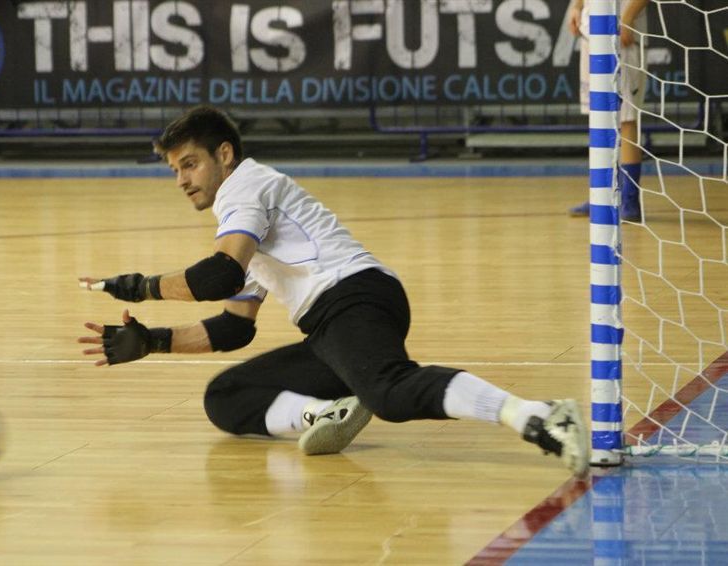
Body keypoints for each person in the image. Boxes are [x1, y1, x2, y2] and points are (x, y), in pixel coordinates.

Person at [78, 105, 590, 477]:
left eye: (189, 164)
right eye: (174, 170)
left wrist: (142, 288)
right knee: (226, 397)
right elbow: (234, 326)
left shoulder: (244, 189)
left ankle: (537, 415)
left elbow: (219, 276)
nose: (181, 180)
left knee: (390, 391)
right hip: (332, 322)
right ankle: (325, 415)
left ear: (224, 154)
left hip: (351, 297)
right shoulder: (243, 213)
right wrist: (153, 341)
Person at [568, 0, 649, 222]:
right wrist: (577, 7)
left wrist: (628, 18)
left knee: (625, 119)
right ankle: (603, 195)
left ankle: (629, 201)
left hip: (624, 36)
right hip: (592, 33)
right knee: (599, 118)